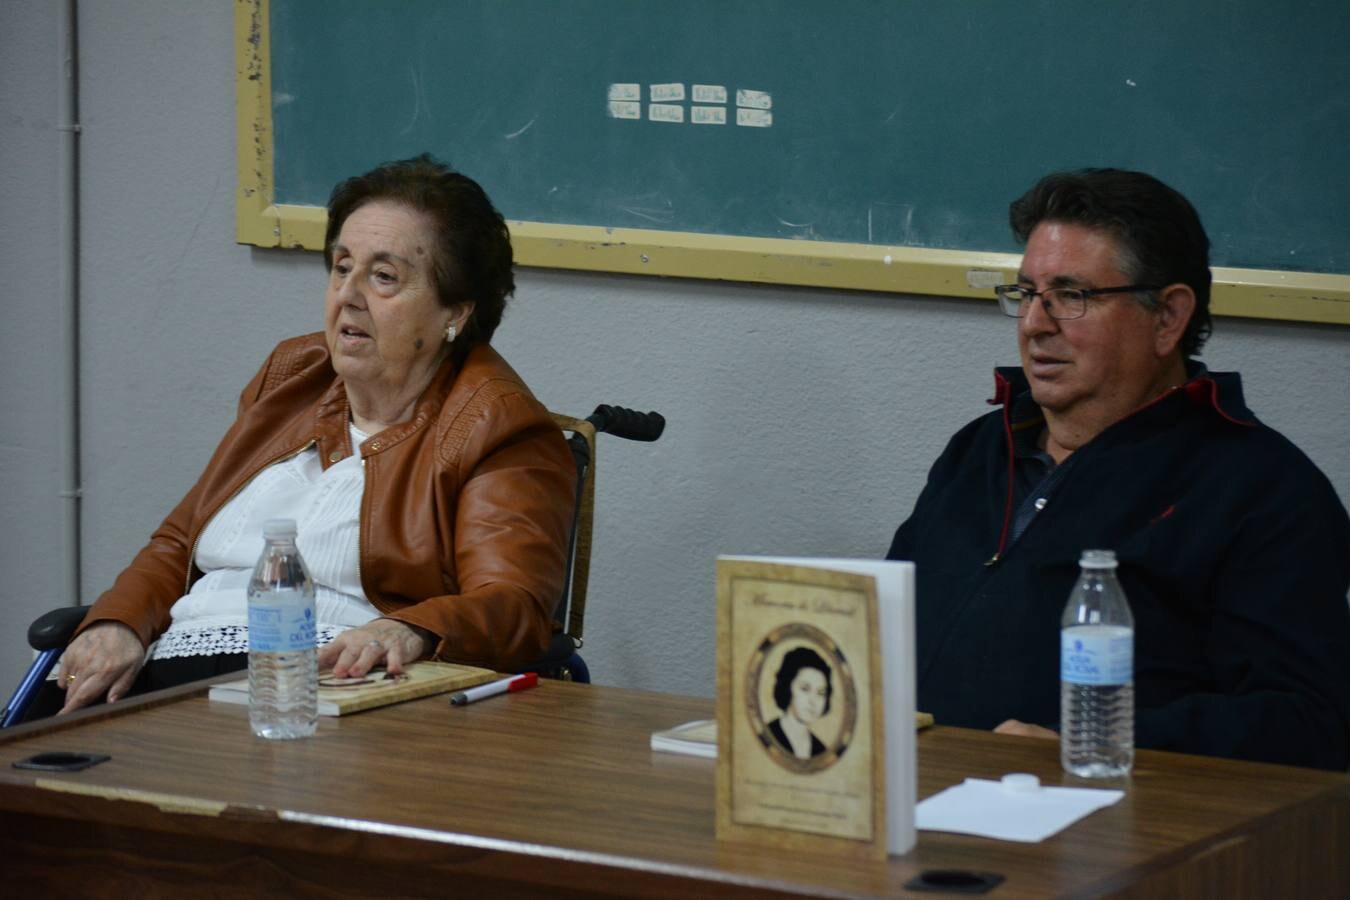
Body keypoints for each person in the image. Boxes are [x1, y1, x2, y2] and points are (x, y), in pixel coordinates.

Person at [37, 155, 575, 720]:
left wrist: (409, 629)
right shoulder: (293, 376)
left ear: (455, 314)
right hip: (165, 674)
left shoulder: (497, 423)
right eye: (342, 267)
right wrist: (118, 621)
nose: (348, 294)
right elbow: (180, 541)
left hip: (321, 693)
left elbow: (514, 606)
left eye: (384, 277)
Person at [886, 168, 1350, 770]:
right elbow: (884, 627)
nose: (1034, 325)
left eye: (1071, 296)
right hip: (917, 806)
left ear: (1167, 317)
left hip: (1103, 831)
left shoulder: (1261, 489)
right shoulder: (978, 450)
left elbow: (1305, 720)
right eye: (1026, 294)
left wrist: (1096, 743)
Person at [766, 646, 833, 759]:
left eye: (820, 693)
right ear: (787, 687)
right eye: (805, 689)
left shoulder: (821, 751)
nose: (813, 701)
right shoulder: (767, 736)